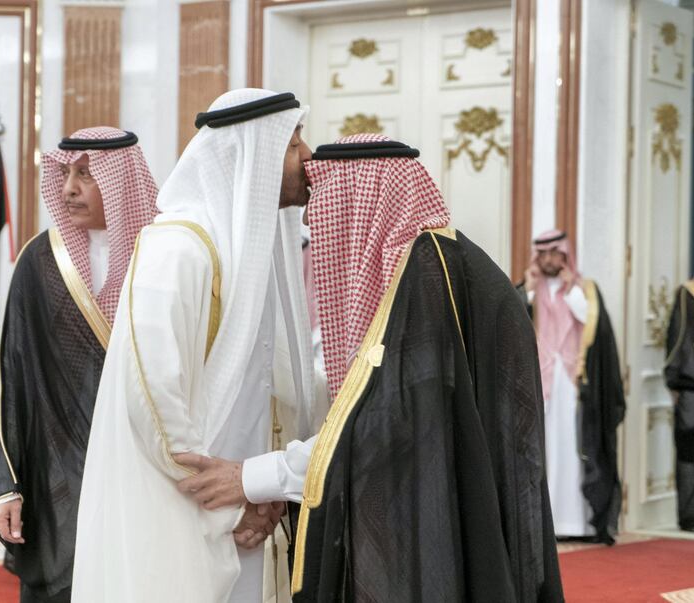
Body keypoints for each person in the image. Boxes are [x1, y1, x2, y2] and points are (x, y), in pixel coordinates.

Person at [180, 134, 564, 602]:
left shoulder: (421, 281)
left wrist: (251, 477)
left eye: (324, 207)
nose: (315, 224)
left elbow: (381, 428)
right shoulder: (442, 260)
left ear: (361, 204)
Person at [72, 89, 322, 603]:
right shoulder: (177, 248)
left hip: (252, 509)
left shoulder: (257, 250)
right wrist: (229, 503)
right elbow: (155, 399)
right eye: (294, 141)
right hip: (186, 509)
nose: (308, 156)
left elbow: (280, 385)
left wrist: (265, 489)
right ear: (251, 154)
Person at [0, 127, 159, 602]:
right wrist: (5, 483)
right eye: (65, 174)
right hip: (56, 473)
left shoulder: (164, 256)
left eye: (87, 174)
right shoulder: (39, 260)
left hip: (145, 470)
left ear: (121, 181)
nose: (69, 189)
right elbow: (12, 377)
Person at [519, 229, 625, 543]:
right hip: (540, 384)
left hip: (572, 386)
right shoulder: (529, 289)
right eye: (544, 254)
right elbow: (513, 322)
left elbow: (593, 325)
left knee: (575, 449)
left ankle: (579, 523)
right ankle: (543, 522)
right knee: (543, 449)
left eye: (555, 253)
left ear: (566, 255)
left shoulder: (584, 290)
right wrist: (527, 288)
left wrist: (569, 289)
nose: (549, 260)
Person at [664, 278, 694, 532]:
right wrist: (674, 379)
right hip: (691, 386)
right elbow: (678, 337)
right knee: (689, 449)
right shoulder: (688, 294)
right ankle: (689, 515)